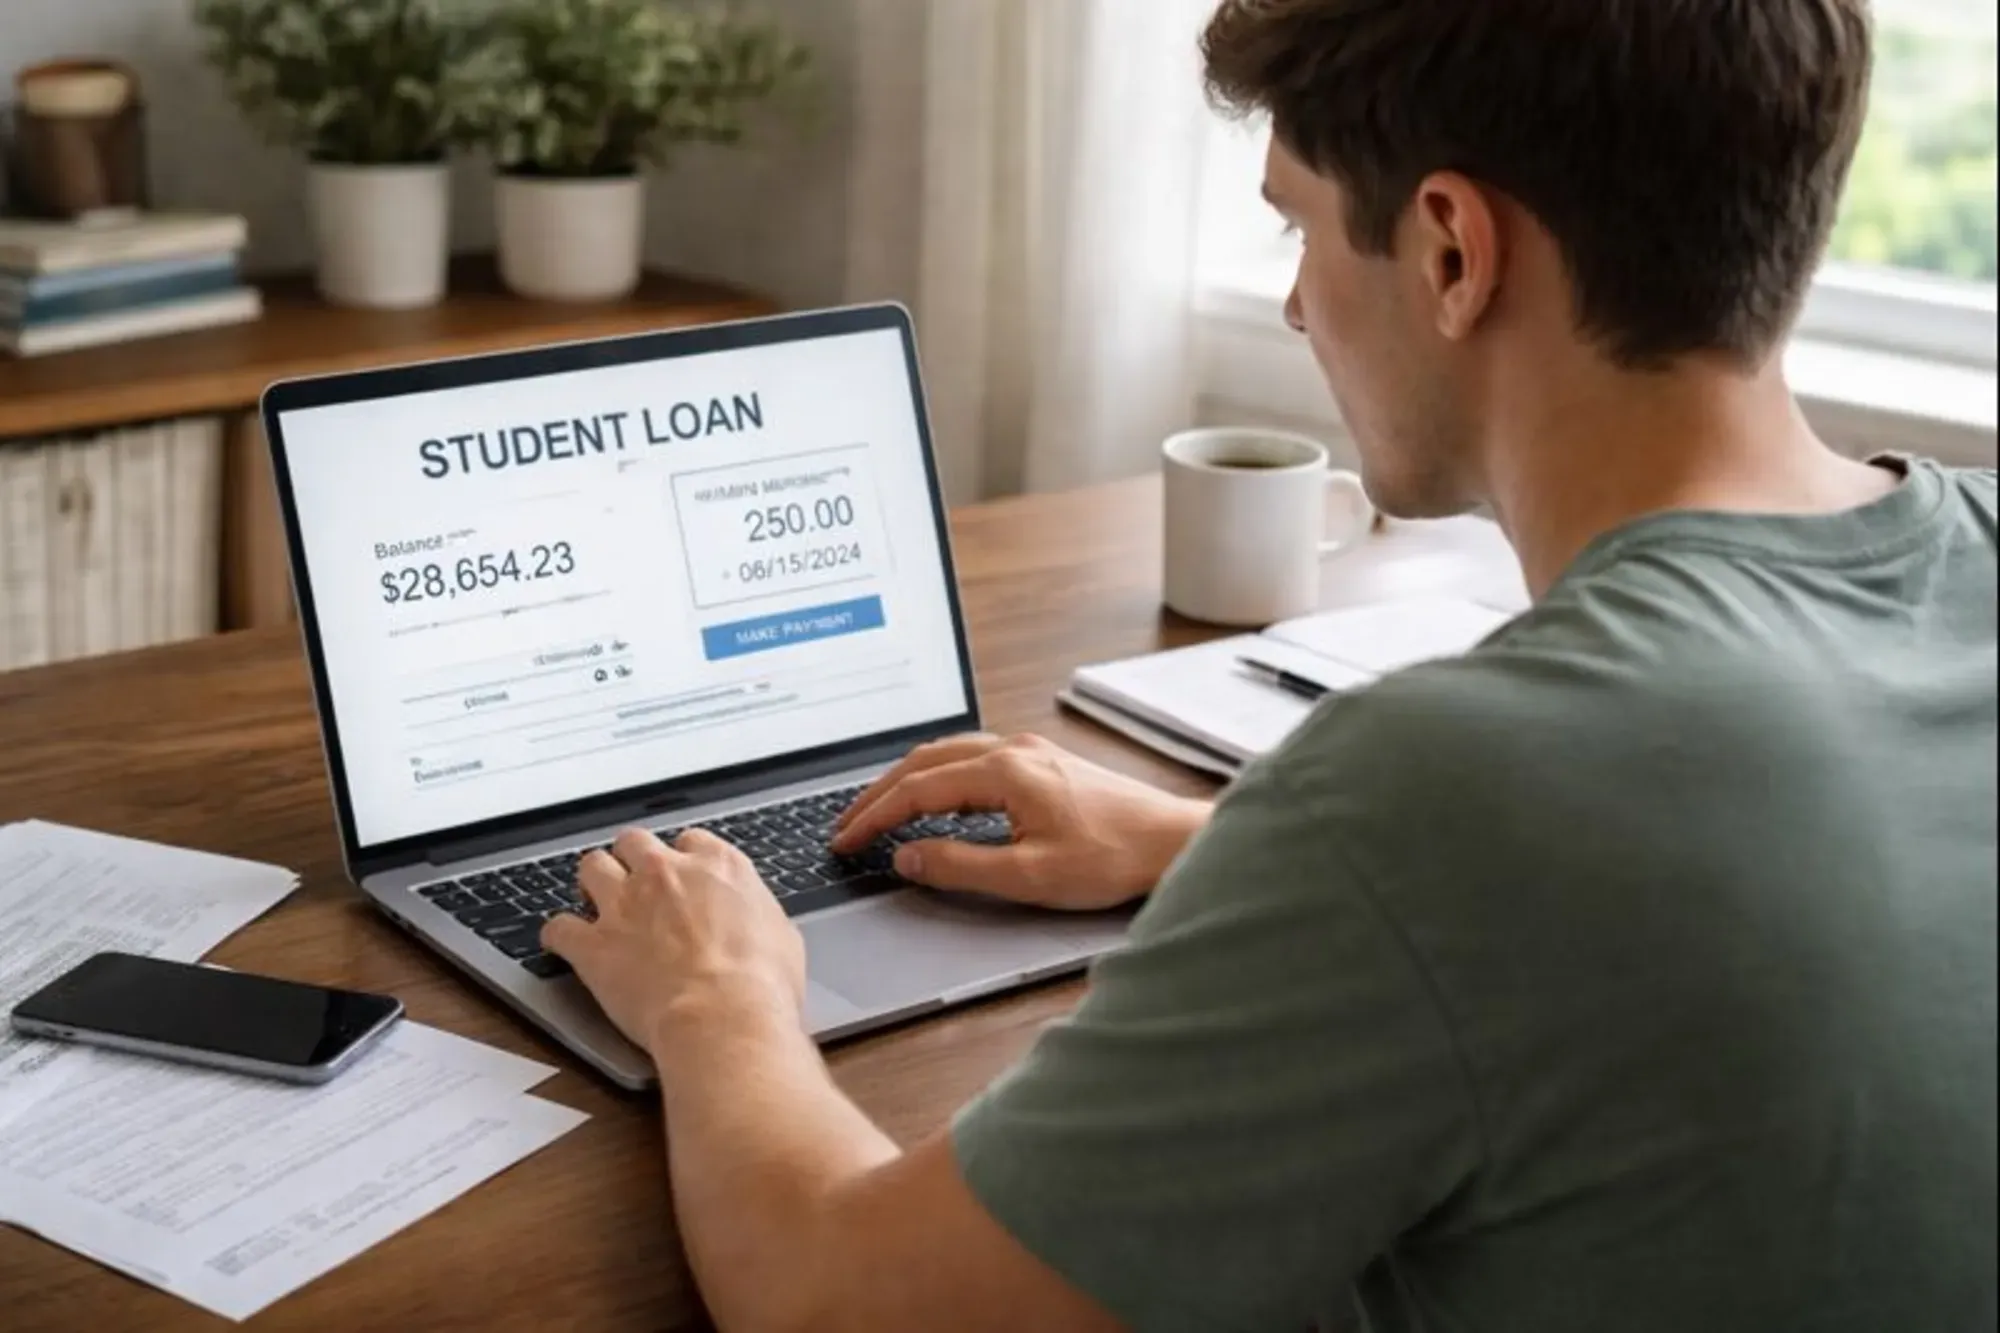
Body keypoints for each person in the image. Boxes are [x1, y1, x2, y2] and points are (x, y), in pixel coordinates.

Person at [540, 1, 1999, 1329]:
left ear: (1451, 251)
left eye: (1297, 225)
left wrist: (713, 995)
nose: (1298, 304)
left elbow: (834, 1303)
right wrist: (1212, 843)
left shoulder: (1463, 785)